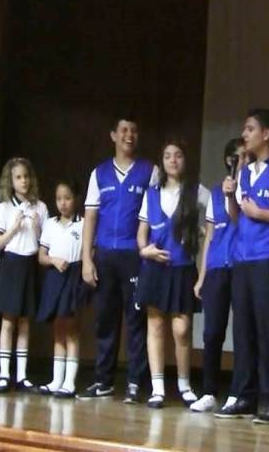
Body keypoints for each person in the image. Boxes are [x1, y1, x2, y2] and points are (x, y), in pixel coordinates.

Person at [215, 108, 269, 424]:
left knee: (267, 329)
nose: (245, 134)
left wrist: (261, 213)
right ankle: (243, 395)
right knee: (243, 330)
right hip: (242, 258)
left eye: (250, 129)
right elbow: (236, 216)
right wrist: (230, 198)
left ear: (266, 134)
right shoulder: (244, 172)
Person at [80, 116, 160, 403]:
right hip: (104, 255)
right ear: (113, 135)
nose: (129, 135)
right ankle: (103, 381)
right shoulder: (99, 173)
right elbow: (90, 217)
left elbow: (156, 214)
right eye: (124, 130)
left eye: (134, 130)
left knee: (136, 319)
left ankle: (135, 383)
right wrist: (87, 259)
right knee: (105, 319)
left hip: (134, 255)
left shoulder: (150, 171)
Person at [136, 140, 211, 408]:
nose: (173, 160)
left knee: (182, 329)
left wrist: (201, 233)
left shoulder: (197, 191)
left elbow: (214, 221)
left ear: (184, 160)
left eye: (178, 155)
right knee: (155, 325)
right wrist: (145, 251)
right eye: (167, 156)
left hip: (183, 269)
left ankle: (184, 385)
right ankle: (157, 389)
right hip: (154, 269)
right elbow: (141, 234)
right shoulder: (151, 193)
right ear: (162, 161)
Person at [190, 138, 246, 413]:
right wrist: (202, 276)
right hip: (216, 268)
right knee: (212, 332)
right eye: (239, 157)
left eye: (247, 156)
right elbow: (210, 236)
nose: (244, 160)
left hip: (242, 265)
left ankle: (238, 393)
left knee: (242, 332)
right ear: (229, 160)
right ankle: (209, 391)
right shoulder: (215, 193)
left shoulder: (250, 190)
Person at [0, 157, 48, 392]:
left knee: (25, 321)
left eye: (26, 176)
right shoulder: (4, 207)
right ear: (11, 181)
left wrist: (36, 227)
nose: (23, 181)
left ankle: (22, 376)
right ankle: (4, 374)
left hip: (30, 264)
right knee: (8, 320)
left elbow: (45, 242)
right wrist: (14, 228)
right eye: (18, 177)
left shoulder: (41, 207)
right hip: (11, 264)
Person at [36, 182, 87, 398]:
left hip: (74, 275)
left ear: (76, 199)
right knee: (58, 328)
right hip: (55, 276)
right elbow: (41, 256)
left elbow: (89, 252)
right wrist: (54, 260)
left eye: (67, 198)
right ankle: (57, 380)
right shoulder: (50, 224)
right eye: (59, 199)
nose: (63, 203)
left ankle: (70, 382)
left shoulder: (84, 223)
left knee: (72, 328)